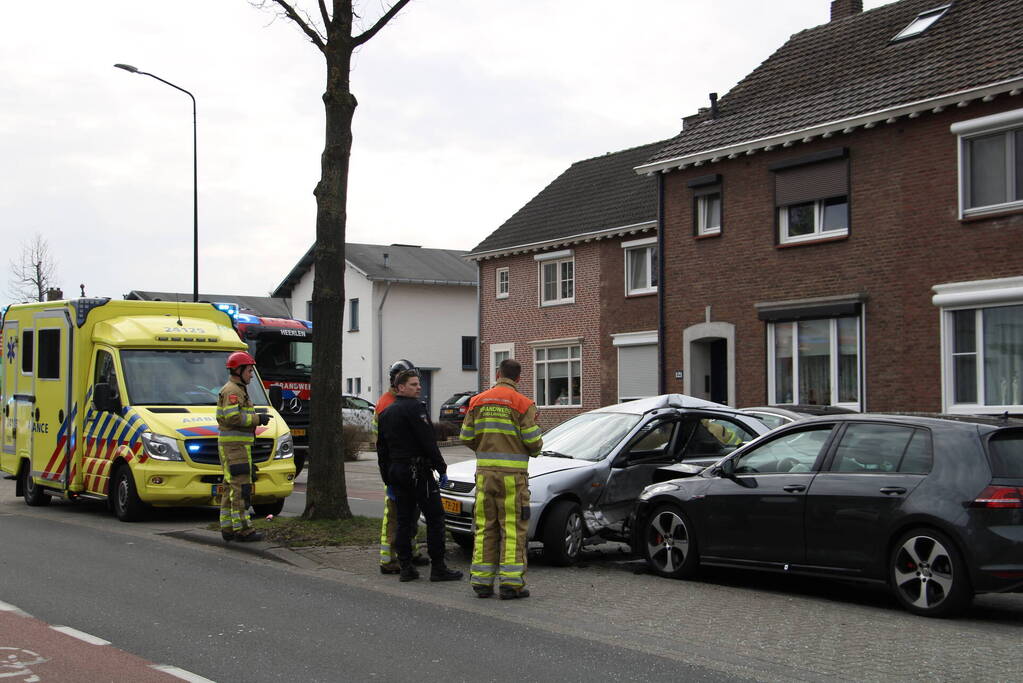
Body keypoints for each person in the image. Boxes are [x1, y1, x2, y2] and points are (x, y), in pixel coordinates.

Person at [459, 359, 542, 599]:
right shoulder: (523, 404)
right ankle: (511, 584)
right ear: (518, 379)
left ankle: (482, 583)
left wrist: (484, 447)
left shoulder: (477, 401)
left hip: (485, 477)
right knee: (513, 529)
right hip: (513, 480)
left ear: (497, 374)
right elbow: (533, 443)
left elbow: (466, 436)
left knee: (485, 528)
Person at [376, 370, 462, 583]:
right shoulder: (416, 409)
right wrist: (441, 468)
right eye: (413, 384)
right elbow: (427, 441)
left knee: (404, 520)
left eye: (418, 384)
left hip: (397, 472)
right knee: (435, 518)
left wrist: (387, 479)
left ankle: (406, 568)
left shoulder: (386, 413)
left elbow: (382, 450)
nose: (419, 387)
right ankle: (438, 568)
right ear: (401, 387)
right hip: (418, 473)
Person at [373, 359, 428, 574]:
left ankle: (410, 550)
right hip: (396, 467)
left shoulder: (394, 401)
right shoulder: (388, 404)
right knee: (395, 514)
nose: (416, 387)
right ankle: (388, 559)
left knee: (410, 512)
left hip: (404, 466)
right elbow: (384, 442)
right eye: (411, 383)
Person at [217, 351, 270, 542]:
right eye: (249, 370)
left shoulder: (237, 389)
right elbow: (233, 417)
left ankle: (228, 527)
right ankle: (243, 530)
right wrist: (258, 419)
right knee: (241, 488)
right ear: (238, 370)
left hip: (236, 447)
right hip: (235, 448)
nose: (251, 374)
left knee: (230, 486)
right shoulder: (234, 391)